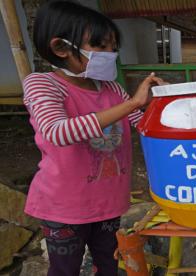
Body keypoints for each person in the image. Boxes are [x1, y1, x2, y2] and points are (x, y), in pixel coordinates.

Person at [22, 1, 164, 275]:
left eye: (113, 46)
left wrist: (164, 103)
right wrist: (132, 104)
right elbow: (57, 132)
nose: (110, 53)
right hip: (64, 207)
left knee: (110, 264)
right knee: (66, 270)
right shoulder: (42, 84)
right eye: (101, 46)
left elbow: (144, 125)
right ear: (60, 48)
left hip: (108, 202)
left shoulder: (112, 88)